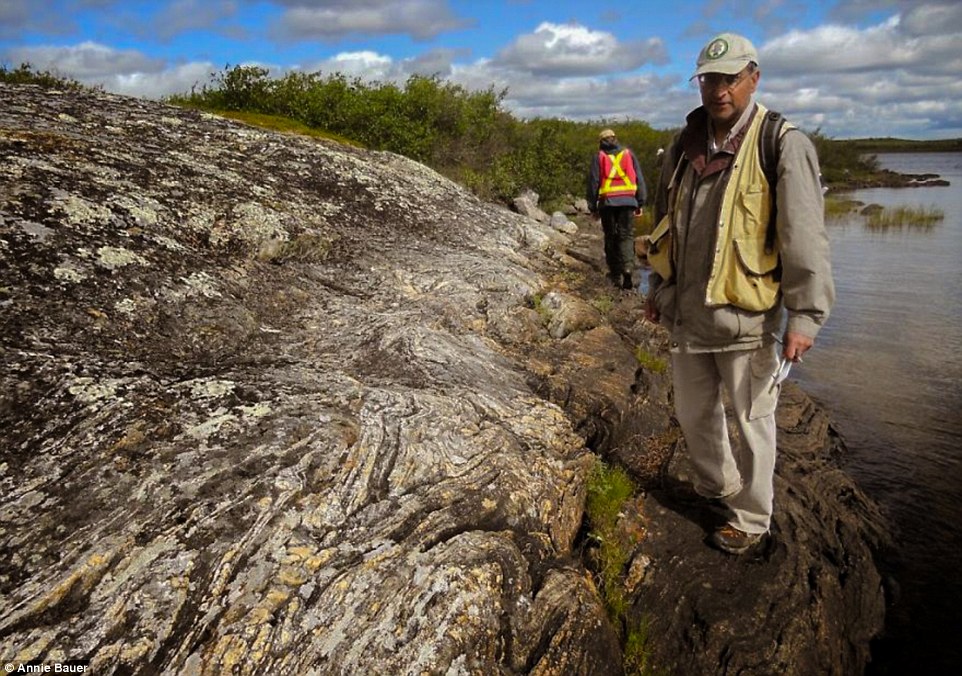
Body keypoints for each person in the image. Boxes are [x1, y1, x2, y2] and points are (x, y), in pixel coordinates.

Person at [645, 33, 834, 554]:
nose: (719, 90)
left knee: (753, 423)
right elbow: (666, 224)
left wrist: (805, 316)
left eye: (729, 78)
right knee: (693, 413)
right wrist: (656, 285)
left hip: (747, 318)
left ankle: (751, 518)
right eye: (709, 79)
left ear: (754, 77)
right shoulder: (685, 143)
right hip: (686, 313)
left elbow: (804, 235)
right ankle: (718, 489)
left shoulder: (783, 141)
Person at [586, 129, 647, 290]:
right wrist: (640, 202)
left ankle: (615, 273)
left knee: (610, 236)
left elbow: (593, 182)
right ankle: (627, 268)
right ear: (615, 139)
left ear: (600, 142)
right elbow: (639, 178)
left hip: (607, 203)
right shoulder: (628, 154)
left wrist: (592, 206)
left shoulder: (598, 157)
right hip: (628, 201)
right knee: (626, 235)